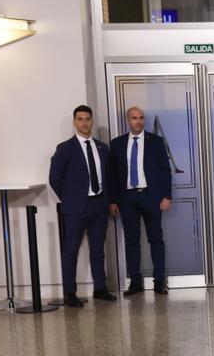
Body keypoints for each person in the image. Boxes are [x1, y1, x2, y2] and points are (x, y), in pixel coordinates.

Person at [49, 105, 118, 308]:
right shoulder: (65, 148)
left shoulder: (101, 148)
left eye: (88, 119)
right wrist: (70, 198)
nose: (84, 123)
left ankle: (100, 288)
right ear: (74, 122)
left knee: (98, 249)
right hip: (75, 207)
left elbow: (109, 177)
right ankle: (70, 293)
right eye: (80, 119)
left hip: (99, 204)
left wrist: (109, 200)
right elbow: (54, 178)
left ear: (92, 122)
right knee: (71, 250)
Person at [109, 106, 173, 296]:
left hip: (151, 196)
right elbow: (112, 176)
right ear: (128, 120)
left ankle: (159, 282)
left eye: (141, 118)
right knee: (131, 241)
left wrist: (167, 196)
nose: (138, 121)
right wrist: (113, 201)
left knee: (156, 239)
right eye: (134, 118)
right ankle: (135, 282)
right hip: (127, 198)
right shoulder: (117, 144)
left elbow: (165, 170)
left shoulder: (155, 142)